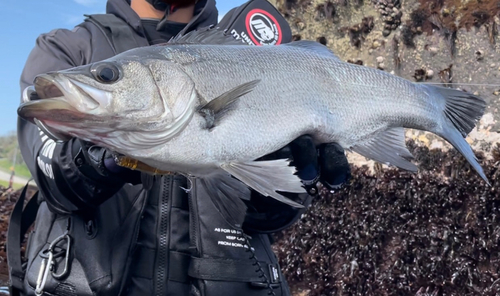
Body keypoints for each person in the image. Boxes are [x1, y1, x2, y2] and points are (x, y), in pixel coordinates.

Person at [9, 0, 351, 295]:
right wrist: (111, 152)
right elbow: (53, 176)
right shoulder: (68, 47)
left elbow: (271, 215)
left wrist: (288, 172)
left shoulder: (254, 55)